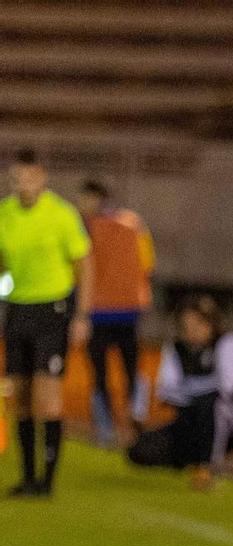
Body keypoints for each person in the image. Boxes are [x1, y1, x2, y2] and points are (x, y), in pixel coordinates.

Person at [0, 149, 92, 498]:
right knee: (20, 396)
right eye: (15, 177)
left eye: (27, 176)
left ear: (41, 177)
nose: (21, 184)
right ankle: (27, 478)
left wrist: (81, 314)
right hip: (17, 309)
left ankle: (47, 481)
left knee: (47, 396)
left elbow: (85, 265)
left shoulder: (61, 214)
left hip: (52, 311)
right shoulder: (5, 214)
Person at [126, 294, 233, 490]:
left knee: (211, 406)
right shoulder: (176, 348)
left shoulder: (228, 343)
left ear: (211, 323)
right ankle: (189, 460)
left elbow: (227, 387)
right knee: (140, 450)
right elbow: (166, 389)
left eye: (199, 324)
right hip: (188, 421)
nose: (193, 331)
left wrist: (191, 392)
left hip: (228, 423)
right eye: (187, 325)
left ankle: (208, 467)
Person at [76, 179, 154, 446]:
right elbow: (148, 262)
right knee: (131, 369)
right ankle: (135, 421)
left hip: (97, 311)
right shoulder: (134, 222)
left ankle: (106, 430)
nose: (81, 204)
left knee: (100, 373)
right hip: (129, 310)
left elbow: (77, 267)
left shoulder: (84, 228)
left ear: (96, 199)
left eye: (84, 199)